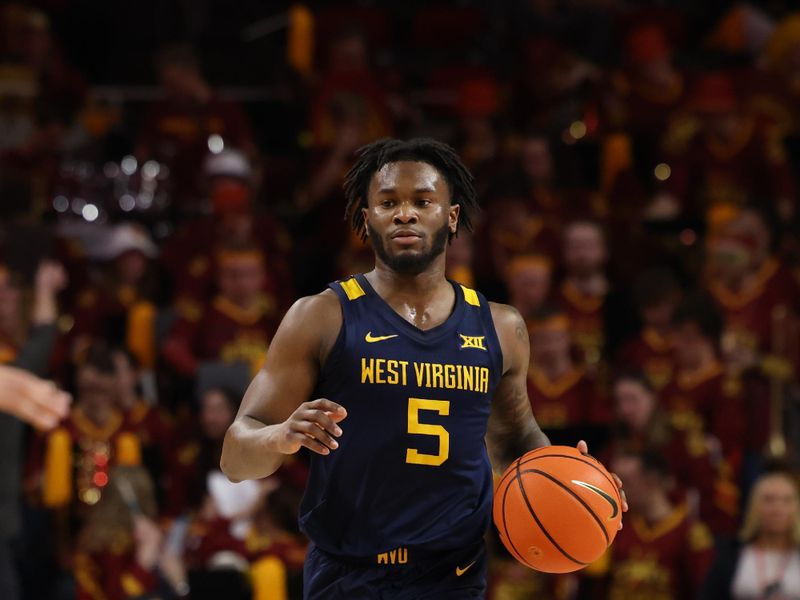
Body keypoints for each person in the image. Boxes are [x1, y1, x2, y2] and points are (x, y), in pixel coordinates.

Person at [220, 138, 626, 598]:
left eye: (422, 201)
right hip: (349, 575)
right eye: (388, 202)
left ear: (451, 217)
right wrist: (281, 435)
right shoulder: (320, 316)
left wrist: (579, 479)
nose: (405, 214)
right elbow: (235, 458)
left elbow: (516, 441)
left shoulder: (501, 325)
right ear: (366, 217)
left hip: (453, 576)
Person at [701, 470, 800, 600]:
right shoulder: (730, 554)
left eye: (786, 500)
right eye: (769, 499)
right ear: (754, 506)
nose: (777, 508)